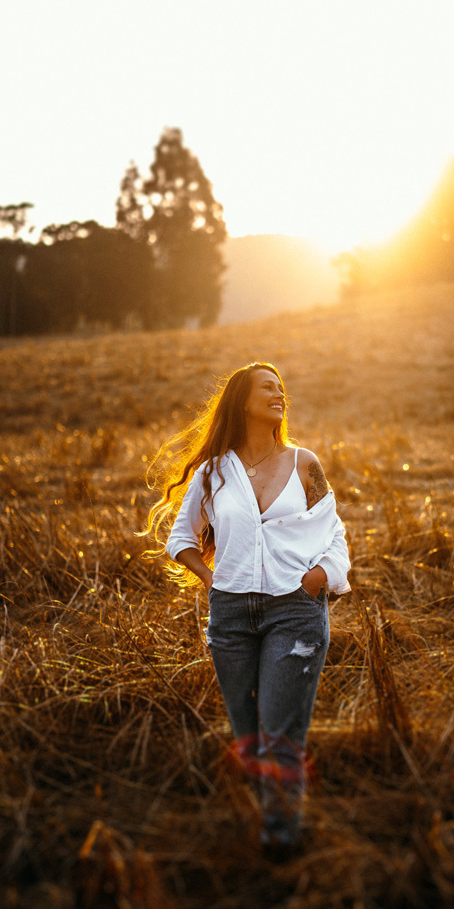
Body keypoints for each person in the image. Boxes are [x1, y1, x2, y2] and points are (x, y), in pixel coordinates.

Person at [144, 361, 351, 854]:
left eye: (282, 387)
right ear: (241, 401)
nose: (279, 394)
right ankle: (265, 817)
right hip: (231, 617)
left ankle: (281, 841)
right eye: (267, 387)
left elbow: (334, 533)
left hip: (294, 611)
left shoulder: (304, 463)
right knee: (247, 733)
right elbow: (180, 537)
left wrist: (318, 578)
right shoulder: (214, 470)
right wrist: (213, 579)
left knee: (279, 730)